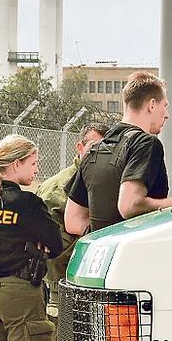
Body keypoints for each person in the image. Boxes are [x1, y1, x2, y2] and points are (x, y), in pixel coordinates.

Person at [65, 71, 172, 234]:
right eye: (165, 106)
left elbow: (72, 220)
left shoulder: (95, 149)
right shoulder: (146, 143)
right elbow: (129, 205)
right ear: (152, 105)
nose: (167, 115)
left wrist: (105, 238)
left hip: (104, 253)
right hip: (137, 252)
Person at [0, 134, 62, 340]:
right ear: (16, 164)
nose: (36, 169)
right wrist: (35, 243)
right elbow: (55, 244)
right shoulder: (27, 202)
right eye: (33, 163)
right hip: (19, 293)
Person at [35, 123, 107, 327]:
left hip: (97, 284)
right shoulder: (55, 190)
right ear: (80, 147)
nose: (99, 153)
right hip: (62, 286)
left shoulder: (109, 181)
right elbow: (48, 248)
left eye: (105, 148)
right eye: (94, 146)